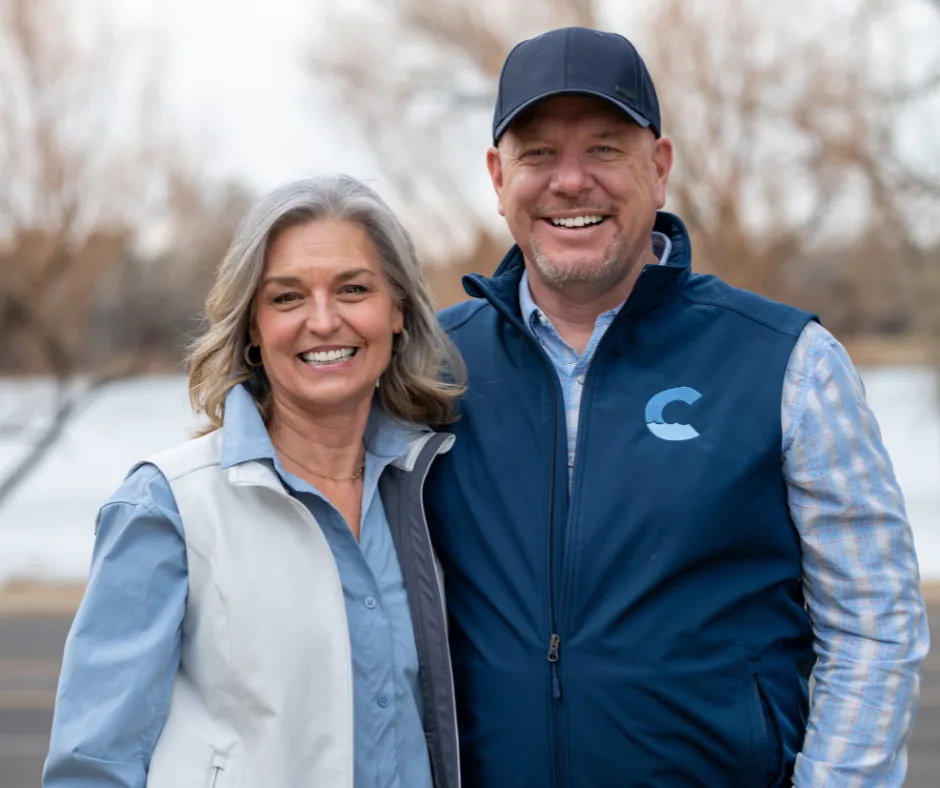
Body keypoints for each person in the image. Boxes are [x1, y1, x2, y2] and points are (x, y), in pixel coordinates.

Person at [424, 26, 930, 788]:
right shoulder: (429, 371)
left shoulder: (787, 363)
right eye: (538, 154)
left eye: (603, 149)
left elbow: (875, 624)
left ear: (658, 168)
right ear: (499, 178)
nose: (571, 181)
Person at [43, 175, 464, 788]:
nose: (324, 320)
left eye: (353, 289)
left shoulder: (436, 488)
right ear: (252, 328)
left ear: (398, 310)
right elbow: (92, 768)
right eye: (287, 298)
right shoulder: (168, 506)